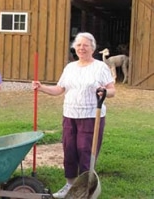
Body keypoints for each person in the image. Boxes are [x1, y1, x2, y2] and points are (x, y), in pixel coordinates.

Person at [32, 32, 116, 198]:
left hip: (92, 115)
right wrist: (42, 87)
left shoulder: (100, 67)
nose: (81, 48)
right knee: (69, 150)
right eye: (78, 45)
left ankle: (85, 188)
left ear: (92, 48)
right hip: (70, 115)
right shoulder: (70, 67)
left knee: (85, 150)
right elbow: (59, 89)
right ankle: (70, 185)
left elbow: (112, 90)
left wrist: (105, 91)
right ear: (74, 48)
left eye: (85, 45)